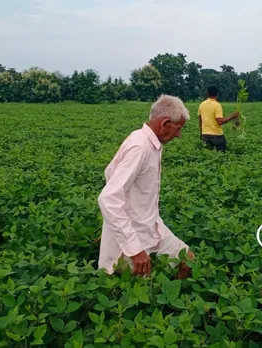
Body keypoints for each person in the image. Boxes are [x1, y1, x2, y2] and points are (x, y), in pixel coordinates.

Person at [97, 95, 195, 279]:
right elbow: (108, 198)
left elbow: (110, 172)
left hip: (151, 225)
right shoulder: (140, 147)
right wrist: (134, 250)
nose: (179, 135)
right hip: (132, 235)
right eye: (179, 128)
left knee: (188, 260)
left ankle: (171, 302)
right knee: (139, 290)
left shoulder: (151, 143)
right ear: (165, 123)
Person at [199, 86, 240, 152]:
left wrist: (201, 133)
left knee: (208, 154)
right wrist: (232, 116)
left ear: (207, 94)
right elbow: (220, 122)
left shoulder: (201, 105)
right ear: (217, 94)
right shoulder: (217, 105)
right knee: (221, 154)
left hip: (205, 135)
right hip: (216, 136)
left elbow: (200, 121)